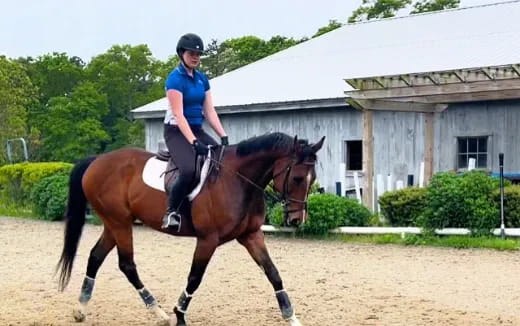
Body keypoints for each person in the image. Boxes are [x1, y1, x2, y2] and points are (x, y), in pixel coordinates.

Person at [162, 33, 228, 229]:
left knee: (221, 160)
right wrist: (193, 142)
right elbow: (179, 115)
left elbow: (209, 110)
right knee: (189, 169)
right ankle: (172, 211)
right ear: (182, 53)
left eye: (199, 54)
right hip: (176, 131)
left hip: (197, 128)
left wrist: (222, 135)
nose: (196, 57)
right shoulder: (174, 79)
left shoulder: (202, 79)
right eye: (192, 53)